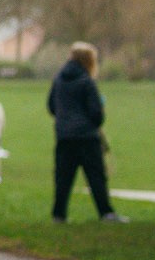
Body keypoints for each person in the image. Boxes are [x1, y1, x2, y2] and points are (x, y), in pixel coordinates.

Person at [48, 41, 125, 223]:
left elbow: (51, 106)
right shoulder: (86, 81)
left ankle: (59, 214)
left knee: (63, 177)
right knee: (96, 175)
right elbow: (96, 112)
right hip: (86, 136)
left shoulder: (58, 79)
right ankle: (105, 212)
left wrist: (64, 119)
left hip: (64, 134)